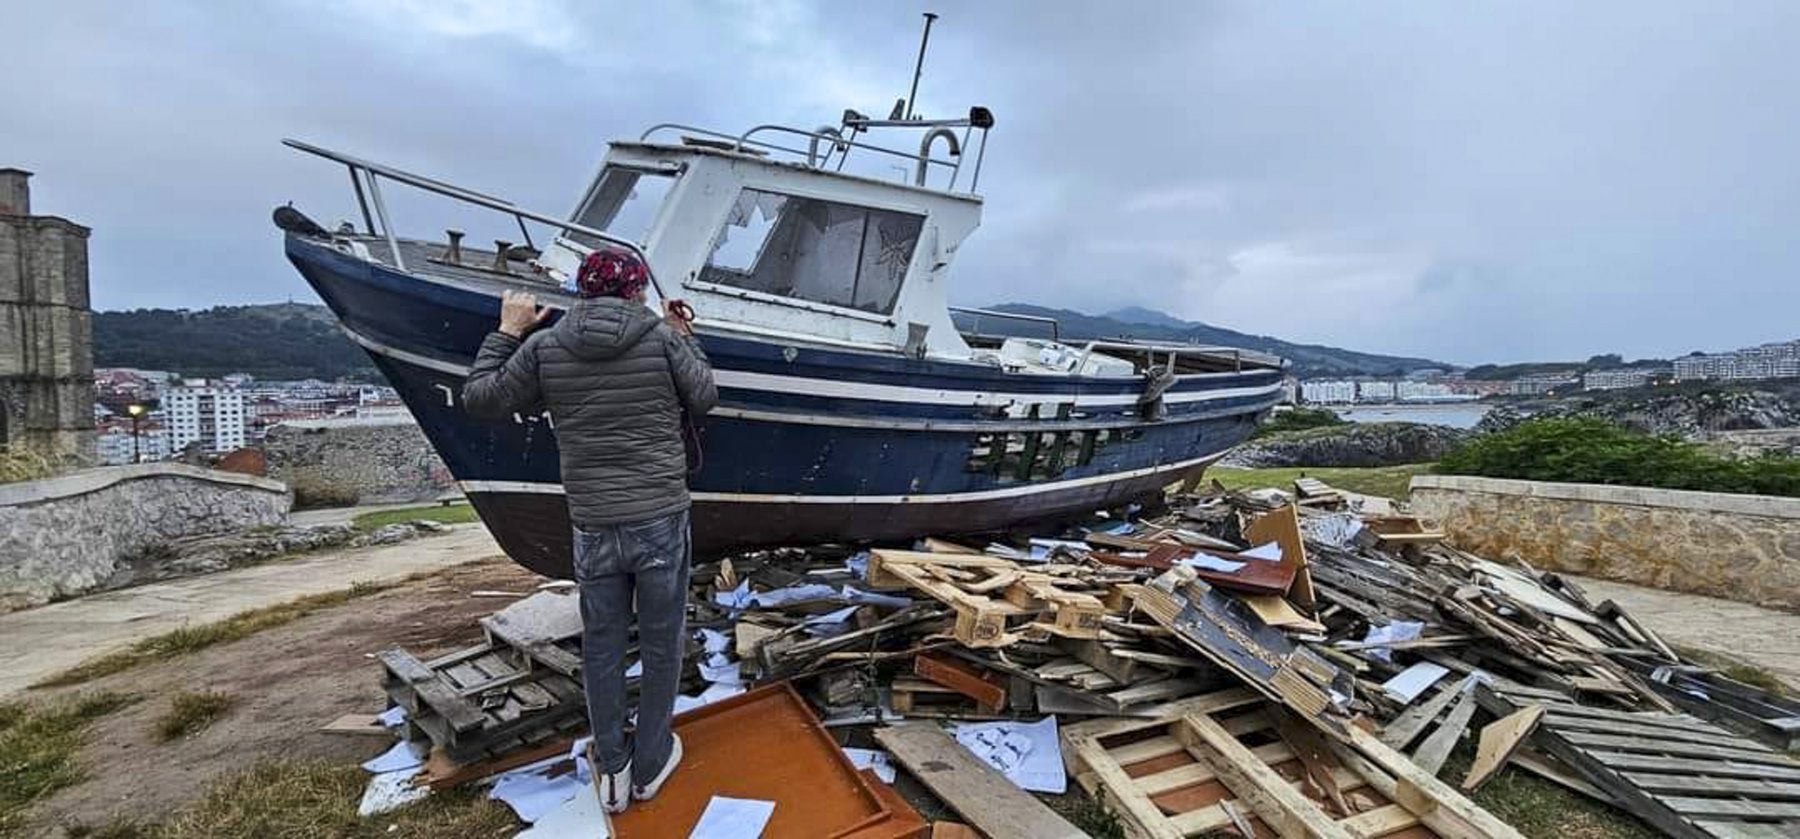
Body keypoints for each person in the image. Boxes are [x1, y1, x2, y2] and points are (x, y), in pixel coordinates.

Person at [462, 246, 716, 814]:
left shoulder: (546, 345)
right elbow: (705, 397)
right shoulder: (661, 338)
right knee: (660, 643)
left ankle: (614, 766)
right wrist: (684, 335)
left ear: (581, 289)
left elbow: (480, 399)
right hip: (659, 519)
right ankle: (651, 765)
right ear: (637, 292)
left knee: (602, 646)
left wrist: (507, 331)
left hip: (594, 523)